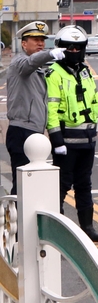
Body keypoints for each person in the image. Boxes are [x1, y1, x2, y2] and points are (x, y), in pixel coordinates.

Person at [45, 25, 98, 243]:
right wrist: (56, 140)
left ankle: (88, 228)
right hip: (66, 142)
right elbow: (51, 109)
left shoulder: (85, 71)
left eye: (77, 48)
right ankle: (58, 232)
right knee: (61, 186)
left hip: (88, 140)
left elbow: (94, 101)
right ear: (61, 48)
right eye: (69, 47)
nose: (73, 51)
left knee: (84, 185)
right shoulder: (53, 73)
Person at [6, 22, 65, 194]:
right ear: (24, 43)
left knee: (32, 183)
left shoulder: (38, 68)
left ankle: (24, 219)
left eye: (42, 40)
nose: (40, 43)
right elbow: (30, 63)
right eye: (35, 39)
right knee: (23, 184)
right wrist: (49, 54)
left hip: (34, 132)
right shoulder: (20, 63)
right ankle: (17, 219)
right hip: (22, 131)